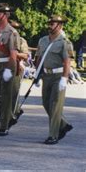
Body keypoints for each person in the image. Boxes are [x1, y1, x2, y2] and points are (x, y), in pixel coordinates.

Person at [35, 15, 74, 145]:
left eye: (53, 24)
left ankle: (53, 135)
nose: (50, 26)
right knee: (46, 103)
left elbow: (67, 62)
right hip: (47, 76)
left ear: (60, 26)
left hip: (58, 76)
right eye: (49, 23)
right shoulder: (43, 40)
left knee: (55, 106)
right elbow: (39, 59)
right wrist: (37, 74)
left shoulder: (64, 42)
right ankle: (63, 124)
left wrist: (64, 78)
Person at [0, 3, 19, 136]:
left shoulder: (12, 32)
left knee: (6, 96)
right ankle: (8, 117)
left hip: (7, 65)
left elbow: (13, 54)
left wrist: (9, 69)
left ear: (6, 15)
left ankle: (4, 125)